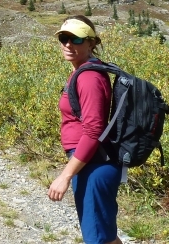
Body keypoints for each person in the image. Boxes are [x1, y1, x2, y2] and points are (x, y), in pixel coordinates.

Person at [46, 15, 123, 244]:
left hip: (94, 166)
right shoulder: (82, 71)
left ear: (92, 43)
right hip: (91, 163)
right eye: (64, 38)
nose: (68, 44)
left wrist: (65, 176)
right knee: (105, 236)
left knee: (97, 238)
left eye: (76, 39)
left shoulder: (89, 76)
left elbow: (93, 130)